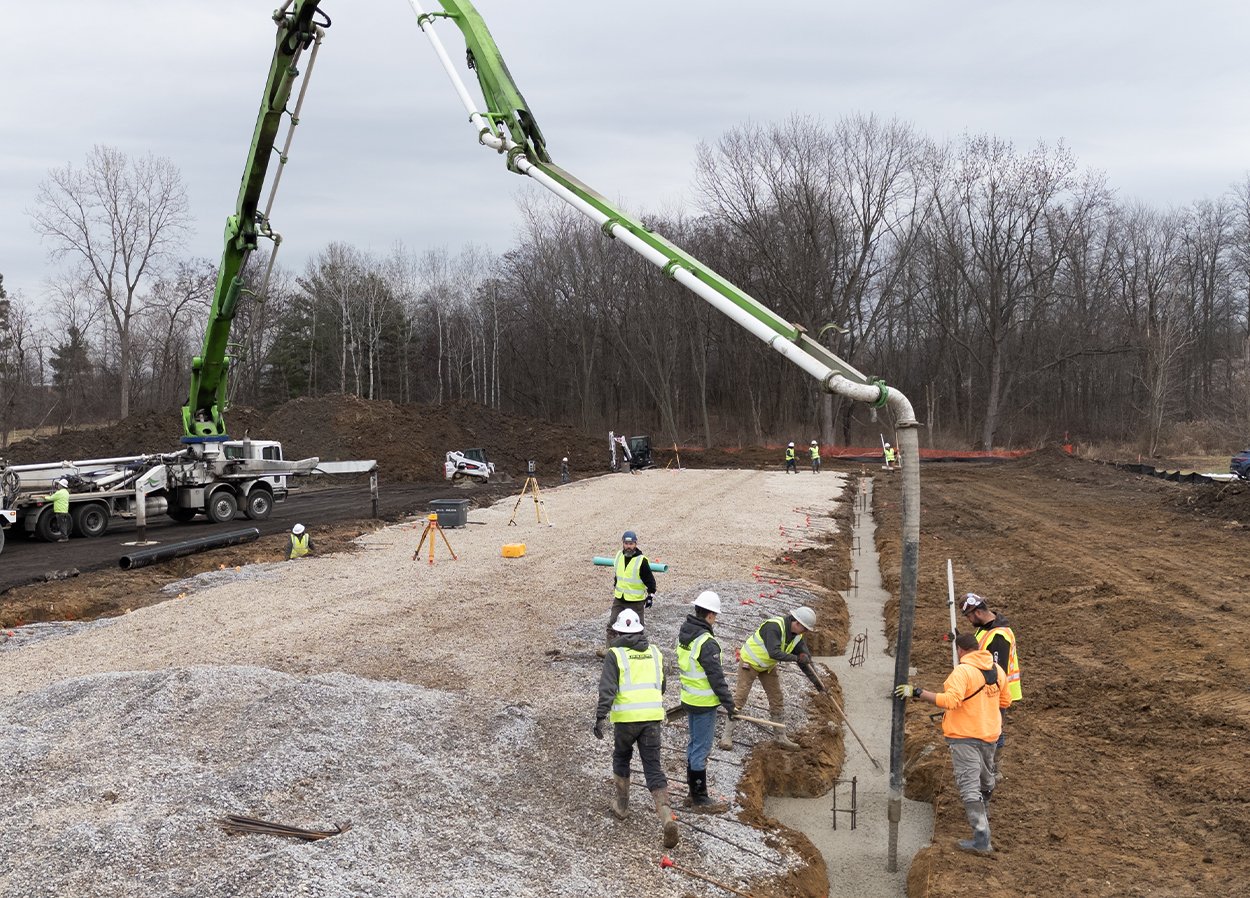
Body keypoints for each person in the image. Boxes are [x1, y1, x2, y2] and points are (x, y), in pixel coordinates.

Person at [895, 633, 1012, 855]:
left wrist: (917, 692)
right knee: (986, 780)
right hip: (990, 735)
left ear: (960, 650)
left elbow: (950, 700)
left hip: (964, 736)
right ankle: (983, 820)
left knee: (969, 786)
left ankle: (981, 840)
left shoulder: (963, 671)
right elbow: (1005, 701)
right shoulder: (998, 671)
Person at [594, 608, 679, 848]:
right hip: (652, 718)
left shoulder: (616, 655)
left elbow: (607, 688)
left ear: (618, 631)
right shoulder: (654, 652)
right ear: (640, 630)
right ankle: (666, 818)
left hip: (626, 720)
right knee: (653, 767)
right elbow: (661, 686)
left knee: (621, 757)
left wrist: (600, 716)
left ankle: (621, 806)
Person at [719, 606, 824, 751]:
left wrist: (819, 685)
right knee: (740, 697)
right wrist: (796, 658)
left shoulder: (797, 637)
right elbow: (774, 652)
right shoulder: (774, 627)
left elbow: (805, 663)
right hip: (750, 662)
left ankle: (780, 738)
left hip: (767, 666)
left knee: (777, 698)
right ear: (797, 623)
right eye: (805, 628)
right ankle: (726, 736)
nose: (805, 632)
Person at [676, 590, 737, 812]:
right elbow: (716, 678)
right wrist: (730, 704)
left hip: (689, 698)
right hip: (703, 703)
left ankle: (693, 793)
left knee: (694, 745)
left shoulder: (685, 634)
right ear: (710, 615)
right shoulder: (706, 642)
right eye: (716, 616)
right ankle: (700, 799)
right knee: (701, 748)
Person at [961, 593, 1022, 777]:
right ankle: (986, 764)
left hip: (997, 692)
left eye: (969, 616)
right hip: (987, 689)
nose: (969, 620)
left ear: (978, 612)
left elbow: (997, 671)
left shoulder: (998, 636)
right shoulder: (986, 628)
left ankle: (993, 768)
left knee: (995, 729)